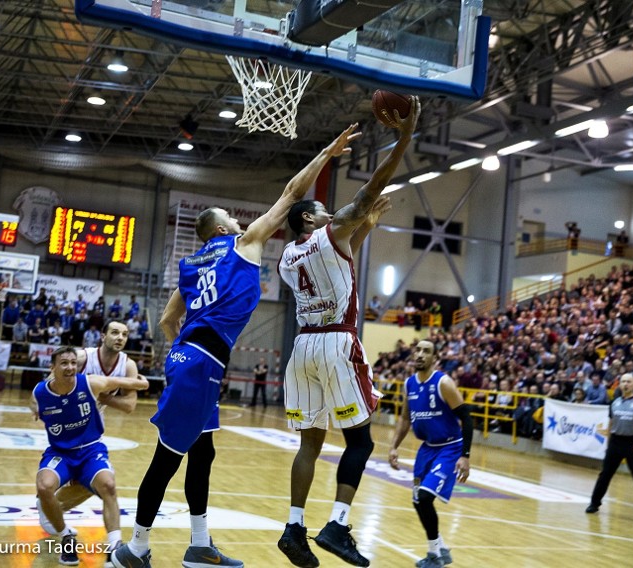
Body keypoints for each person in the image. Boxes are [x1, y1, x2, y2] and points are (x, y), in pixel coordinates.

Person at [111, 123, 361, 568]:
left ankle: (199, 544)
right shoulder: (241, 244)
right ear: (221, 227)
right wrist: (326, 152)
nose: (238, 219)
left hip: (191, 357)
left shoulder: (190, 265)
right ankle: (136, 548)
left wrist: (180, 354)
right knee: (166, 459)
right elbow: (289, 193)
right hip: (201, 362)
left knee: (203, 453)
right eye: (230, 215)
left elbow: (170, 319)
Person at [276, 97, 418, 568]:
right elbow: (371, 190)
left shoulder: (287, 257)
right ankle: (337, 524)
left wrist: (362, 229)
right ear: (313, 220)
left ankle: (293, 528)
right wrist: (404, 136)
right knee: (360, 442)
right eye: (322, 209)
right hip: (338, 342)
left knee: (310, 443)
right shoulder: (329, 230)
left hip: (302, 348)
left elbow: (339, 253)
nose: (328, 211)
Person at [32, 347, 148, 565]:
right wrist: (35, 410)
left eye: (73, 363)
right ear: (52, 368)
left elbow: (125, 383)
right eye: (64, 363)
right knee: (44, 486)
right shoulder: (40, 392)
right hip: (61, 452)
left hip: (90, 449)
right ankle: (66, 537)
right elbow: (33, 404)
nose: (70, 367)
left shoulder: (90, 383)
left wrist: (142, 383)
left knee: (109, 485)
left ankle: (115, 547)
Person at [36, 321, 140, 537]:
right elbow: (50, 385)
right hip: (65, 425)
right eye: (114, 333)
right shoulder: (83, 358)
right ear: (102, 336)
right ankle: (49, 506)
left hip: (91, 431)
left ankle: (52, 508)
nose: (120, 337)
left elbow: (130, 406)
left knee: (100, 479)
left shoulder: (128, 366)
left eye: (124, 334)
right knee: (83, 478)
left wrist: (95, 394)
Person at [388, 340, 472, 568]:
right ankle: (440, 548)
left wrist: (465, 455)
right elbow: (405, 418)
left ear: (434, 358)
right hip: (427, 449)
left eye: (427, 351)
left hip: (450, 447)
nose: (420, 354)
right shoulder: (409, 384)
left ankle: (434, 554)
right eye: (418, 350)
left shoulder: (443, 383)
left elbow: (467, 416)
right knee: (418, 501)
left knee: (425, 497)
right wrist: (394, 446)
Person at [586, 373, 633, 522]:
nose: (626, 384)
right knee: (605, 475)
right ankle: (594, 503)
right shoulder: (614, 402)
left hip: (632, 443)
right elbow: (611, 423)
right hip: (615, 442)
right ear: (619, 384)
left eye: (629, 382)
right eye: (623, 381)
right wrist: (608, 443)